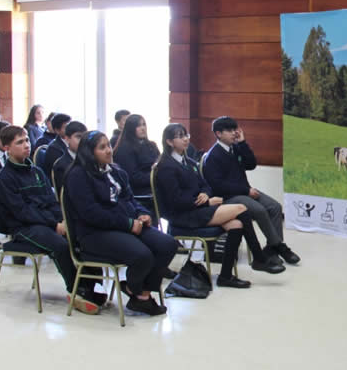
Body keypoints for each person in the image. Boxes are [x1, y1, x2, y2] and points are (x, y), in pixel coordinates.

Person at [155, 124, 285, 288]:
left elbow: (206, 185)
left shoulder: (189, 161)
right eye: (180, 136)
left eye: (186, 134)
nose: (186, 138)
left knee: (236, 224)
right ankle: (259, 258)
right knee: (241, 208)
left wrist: (205, 194)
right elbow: (175, 200)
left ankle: (225, 276)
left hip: (198, 209)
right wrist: (206, 201)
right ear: (169, 142)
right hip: (183, 216)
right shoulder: (166, 167)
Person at [0, 125, 103, 314]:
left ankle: (89, 286)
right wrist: (54, 225)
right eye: (20, 142)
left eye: (27, 140)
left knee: (80, 235)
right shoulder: (4, 178)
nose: (27, 145)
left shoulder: (36, 172)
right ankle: (75, 289)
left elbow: (52, 202)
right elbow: (22, 212)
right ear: (6, 148)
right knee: (59, 245)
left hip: (45, 222)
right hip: (22, 228)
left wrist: (63, 221)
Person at [64, 131, 177, 316]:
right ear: (88, 152)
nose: (109, 150)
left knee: (167, 245)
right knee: (143, 255)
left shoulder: (116, 171)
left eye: (108, 145)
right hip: (94, 233)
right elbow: (90, 213)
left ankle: (138, 292)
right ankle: (140, 294)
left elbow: (130, 199)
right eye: (102, 147)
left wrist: (142, 214)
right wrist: (127, 223)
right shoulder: (78, 175)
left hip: (124, 225)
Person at [204, 116, 300, 265]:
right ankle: (279, 246)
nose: (234, 133)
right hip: (228, 198)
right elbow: (219, 186)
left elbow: (251, 164)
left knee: (275, 207)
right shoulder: (213, 156)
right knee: (260, 210)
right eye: (229, 131)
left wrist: (242, 143)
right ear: (218, 133)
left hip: (244, 192)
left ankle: (271, 249)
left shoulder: (235, 148)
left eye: (235, 129)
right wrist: (246, 191)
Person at [113, 114, 159, 209]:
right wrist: (155, 176)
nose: (143, 128)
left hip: (155, 193)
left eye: (144, 124)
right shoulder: (124, 149)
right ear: (131, 128)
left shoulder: (151, 145)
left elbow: (160, 163)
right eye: (138, 126)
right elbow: (132, 177)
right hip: (139, 198)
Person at [52, 121, 87, 194]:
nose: (83, 141)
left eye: (84, 137)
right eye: (78, 137)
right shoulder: (61, 166)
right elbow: (69, 194)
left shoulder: (89, 159)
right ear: (67, 139)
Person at [42, 113, 71, 180]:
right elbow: (61, 172)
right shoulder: (54, 149)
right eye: (66, 127)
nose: (71, 129)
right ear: (57, 130)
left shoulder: (73, 143)